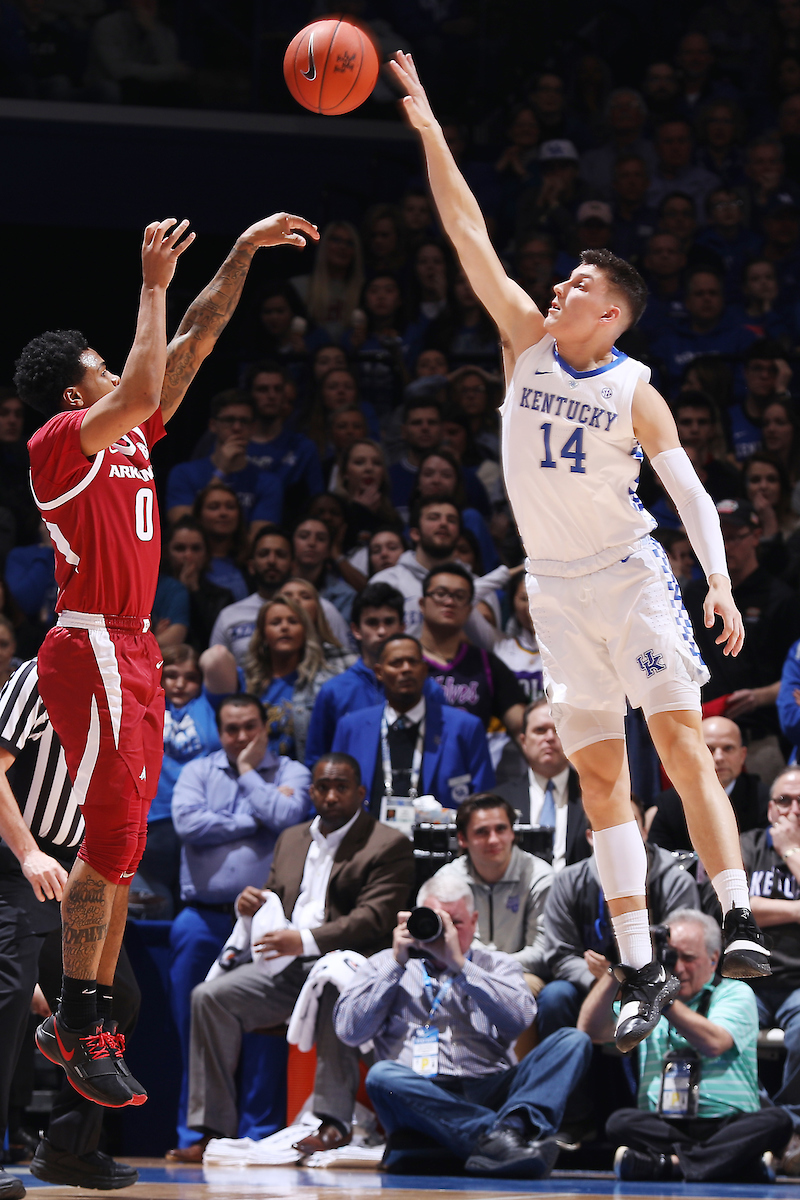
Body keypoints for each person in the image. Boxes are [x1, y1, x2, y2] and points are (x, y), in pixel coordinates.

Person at [390, 50, 767, 1058]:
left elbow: (687, 492)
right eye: (564, 276)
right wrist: (429, 129)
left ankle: (736, 915)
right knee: (602, 784)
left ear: (609, 314)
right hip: (554, 594)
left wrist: (719, 581)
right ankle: (638, 963)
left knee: (678, 749)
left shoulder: (634, 387)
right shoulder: (523, 340)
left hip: (630, 579)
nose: (559, 283)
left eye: (580, 281)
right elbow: (467, 232)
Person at [15, 209, 319, 1106]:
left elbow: (192, 341)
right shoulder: (56, 445)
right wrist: (149, 286)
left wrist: (241, 255)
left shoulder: (129, 433)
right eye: (100, 371)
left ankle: (84, 1017)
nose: (118, 375)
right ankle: (79, 1017)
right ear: (75, 397)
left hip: (137, 646)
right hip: (91, 641)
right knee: (109, 841)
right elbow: (148, 375)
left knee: (123, 843)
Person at [170, 752, 414, 1160]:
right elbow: (276, 898)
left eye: (341, 787)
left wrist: (303, 940)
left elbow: (373, 918)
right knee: (209, 998)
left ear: (361, 793)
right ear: (311, 792)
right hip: (286, 966)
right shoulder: (292, 838)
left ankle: (333, 1124)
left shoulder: (388, 843)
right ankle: (211, 1131)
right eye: (323, 787)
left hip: (348, 964)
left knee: (335, 987)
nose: (331, 796)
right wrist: (253, 904)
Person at [333, 873, 592, 1178]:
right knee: (382, 1076)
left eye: (455, 923)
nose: (446, 932)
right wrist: (396, 965)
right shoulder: (384, 963)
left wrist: (462, 967)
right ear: (414, 921)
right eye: (436, 922)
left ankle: (507, 1130)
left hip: (490, 1085)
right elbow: (350, 1032)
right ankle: (503, 1139)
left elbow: (520, 1020)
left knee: (572, 1041)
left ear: (474, 921)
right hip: (420, 1094)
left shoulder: (497, 964)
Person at [0, 659, 140, 1194]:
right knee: (10, 991)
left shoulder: (129, 684)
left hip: (79, 861)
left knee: (119, 996)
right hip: (16, 852)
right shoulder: (40, 675)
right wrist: (28, 853)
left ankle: (67, 1150)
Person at [168, 692, 311, 1152]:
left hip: (267, 924)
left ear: (265, 728)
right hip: (203, 918)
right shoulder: (197, 771)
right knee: (196, 1023)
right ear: (219, 731)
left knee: (266, 1030)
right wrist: (254, 817)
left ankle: (258, 1135)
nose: (241, 737)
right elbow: (189, 825)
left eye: (250, 727)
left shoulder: (291, 771)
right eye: (231, 729)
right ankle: (200, 1135)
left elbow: (289, 817)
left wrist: (249, 774)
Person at [578, 908, 792, 1183]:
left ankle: (672, 1165)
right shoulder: (645, 999)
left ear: (714, 959)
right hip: (664, 1124)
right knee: (619, 1122)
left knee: (777, 1121)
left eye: (689, 958)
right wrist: (619, 969)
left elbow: (715, 1043)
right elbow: (590, 1030)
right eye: (671, 957)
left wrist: (662, 999)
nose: (678, 967)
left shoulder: (734, 992)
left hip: (728, 1122)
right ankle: (735, 1163)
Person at [536, 797, 699, 1037]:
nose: (621, 835)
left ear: (644, 831)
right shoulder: (568, 882)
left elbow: (679, 949)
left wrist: (627, 978)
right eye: (608, 825)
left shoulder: (676, 881)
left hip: (657, 981)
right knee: (555, 996)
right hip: (590, 982)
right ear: (591, 836)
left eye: (629, 824)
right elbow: (560, 954)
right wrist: (601, 980)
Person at [683, 499, 800, 780]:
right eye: (718, 537)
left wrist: (760, 696)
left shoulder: (781, 598)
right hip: (702, 734)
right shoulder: (695, 594)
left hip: (759, 739)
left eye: (734, 537)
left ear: (756, 536)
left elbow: (795, 674)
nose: (724, 546)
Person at [333, 633, 494, 821]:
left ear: (424, 670)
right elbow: (335, 791)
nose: (406, 669)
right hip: (368, 837)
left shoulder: (465, 727)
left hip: (441, 837)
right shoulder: (351, 728)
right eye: (396, 663)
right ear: (379, 672)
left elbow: (484, 802)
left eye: (413, 662)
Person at [432, 793, 553, 998]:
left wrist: (491, 969)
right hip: (461, 971)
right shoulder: (447, 881)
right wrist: (478, 970)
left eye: (501, 829)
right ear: (462, 839)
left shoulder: (540, 877)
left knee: (537, 992)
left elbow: (542, 952)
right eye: (482, 832)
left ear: (512, 833)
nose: (493, 839)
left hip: (522, 974)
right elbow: (443, 943)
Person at [134, 645, 220, 917]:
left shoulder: (210, 704)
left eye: (191, 677)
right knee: (157, 903)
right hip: (154, 818)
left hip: (202, 817)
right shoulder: (146, 701)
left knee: (193, 901)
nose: (180, 684)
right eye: (171, 675)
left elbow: (218, 657)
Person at [207, 526, 350, 668]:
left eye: (280, 555)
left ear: (293, 566)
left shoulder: (321, 609)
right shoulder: (229, 616)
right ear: (251, 566)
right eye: (264, 554)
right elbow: (215, 669)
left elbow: (345, 663)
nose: (272, 561)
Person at [740, 767, 800, 1100]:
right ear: (770, 808)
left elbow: (755, 907)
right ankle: (757, 1118)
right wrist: (796, 911)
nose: (794, 810)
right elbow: (734, 907)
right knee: (720, 1032)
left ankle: (789, 1122)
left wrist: (791, 851)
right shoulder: (746, 846)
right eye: (784, 800)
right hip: (747, 980)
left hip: (798, 984)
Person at [370, 494, 497, 646]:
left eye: (451, 520)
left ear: (458, 535)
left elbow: (491, 646)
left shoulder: (480, 586)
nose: (443, 523)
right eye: (434, 518)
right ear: (415, 533)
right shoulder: (386, 582)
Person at [418, 562, 527, 736]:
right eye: (440, 594)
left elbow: (520, 723)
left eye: (459, 596)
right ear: (422, 604)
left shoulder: (486, 664)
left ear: (469, 610)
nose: (449, 601)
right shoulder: (404, 659)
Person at [306, 582, 406, 767]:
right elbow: (317, 760)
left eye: (389, 622)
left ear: (402, 627)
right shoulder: (333, 692)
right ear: (356, 630)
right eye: (372, 623)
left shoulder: (425, 688)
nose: (381, 631)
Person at [494, 698, 591, 870]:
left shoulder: (594, 794)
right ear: (523, 741)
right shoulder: (499, 801)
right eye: (540, 730)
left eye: (558, 730)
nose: (549, 737)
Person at [165, 390, 283, 531]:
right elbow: (182, 524)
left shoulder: (267, 482)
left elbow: (260, 536)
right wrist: (221, 472)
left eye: (244, 421)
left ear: (253, 428)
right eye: (229, 420)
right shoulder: (184, 473)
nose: (237, 427)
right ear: (213, 425)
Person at [650, 717, 770, 853]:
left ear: (742, 755)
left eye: (728, 748)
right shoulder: (671, 802)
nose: (719, 757)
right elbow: (657, 856)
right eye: (710, 749)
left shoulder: (762, 799)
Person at [243, 362, 323, 508]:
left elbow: (317, 503)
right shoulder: (231, 443)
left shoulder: (303, 448)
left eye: (278, 389)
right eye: (263, 389)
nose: (272, 395)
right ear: (249, 395)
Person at [162, 517, 234, 653]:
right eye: (180, 548)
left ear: (207, 554)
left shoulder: (222, 597)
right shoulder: (154, 592)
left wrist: (194, 592)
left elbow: (215, 639)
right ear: (166, 552)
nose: (188, 555)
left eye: (196, 549)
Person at [191, 480, 250, 603]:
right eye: (214, 507)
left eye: (230, 507)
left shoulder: (250, 561)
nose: (223, 513)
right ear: (199, 515)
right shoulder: (189, 560)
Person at [292, 516, 357, 623]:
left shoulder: (345, 595)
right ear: (292, 544)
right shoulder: (276, 586)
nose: (312, 543)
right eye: (304, 536)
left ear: (328, 550)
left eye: (321, 539)